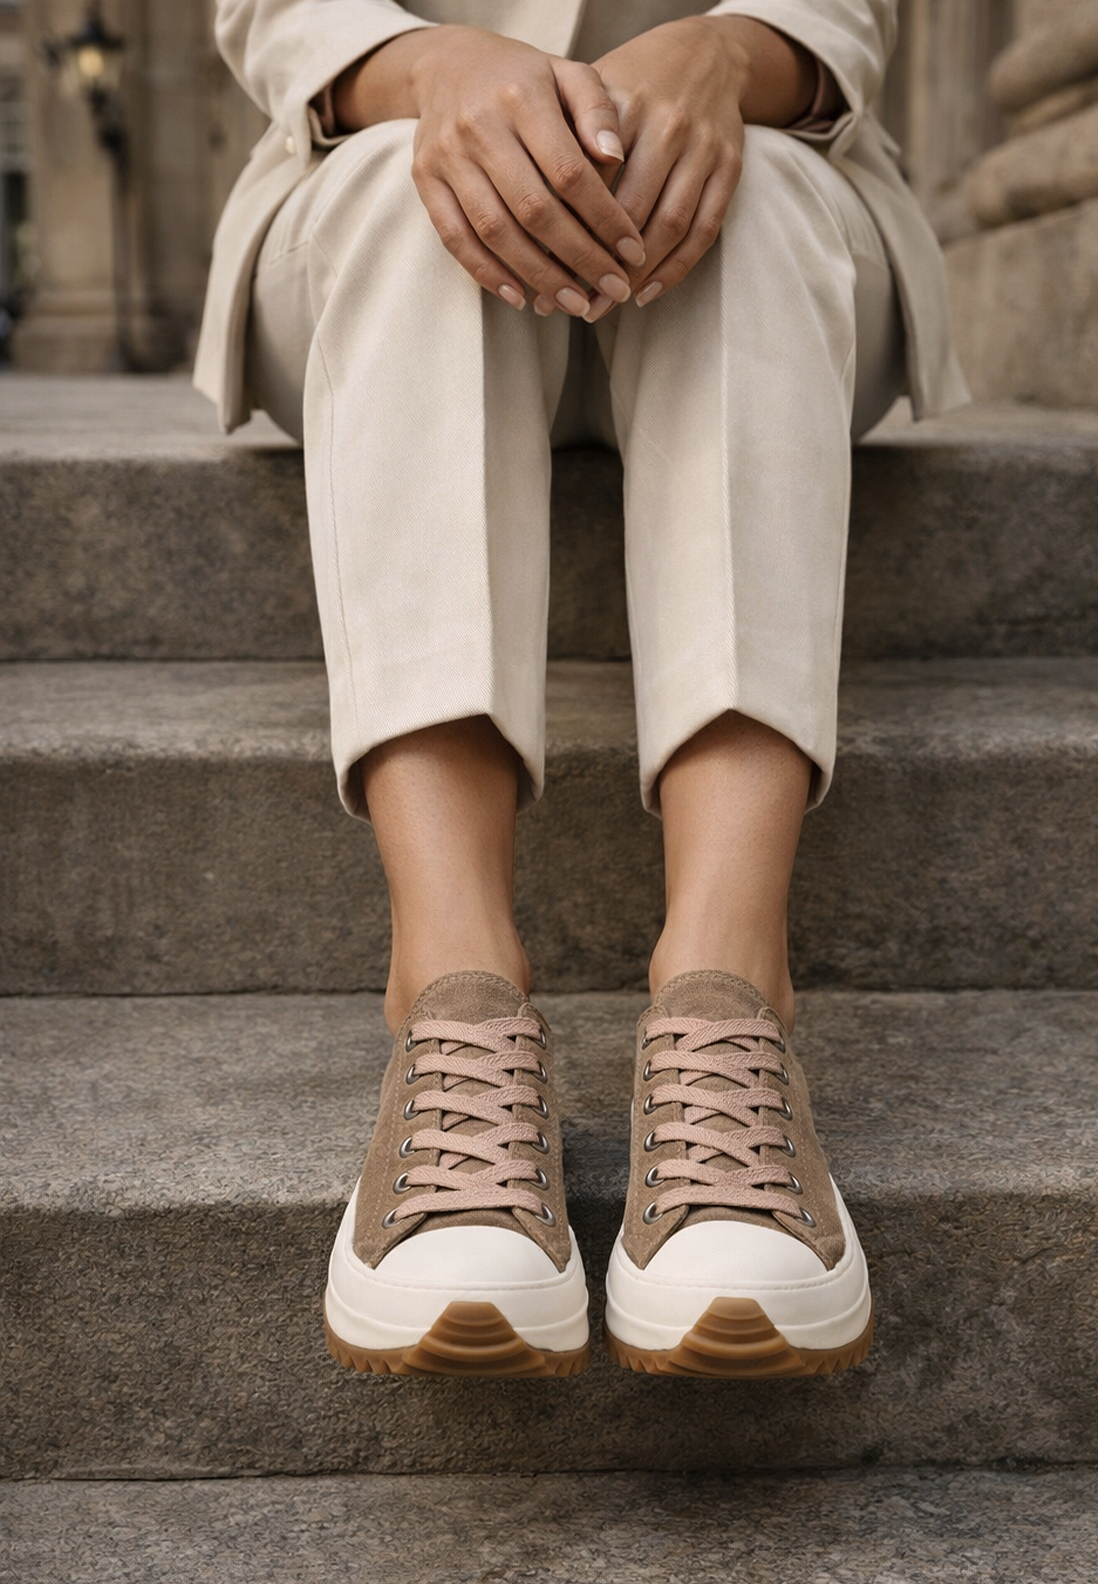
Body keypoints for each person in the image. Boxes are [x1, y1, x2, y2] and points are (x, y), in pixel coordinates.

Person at [196, 0, 968, 1378]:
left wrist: (736, 55)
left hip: (754, 220)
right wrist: (425, 67)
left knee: (756, 178)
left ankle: (728, 995)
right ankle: (453, 998)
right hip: (372, 224)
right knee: (412, 174)